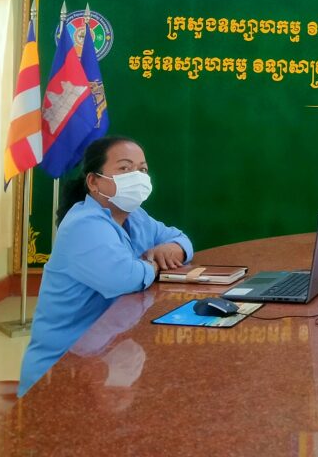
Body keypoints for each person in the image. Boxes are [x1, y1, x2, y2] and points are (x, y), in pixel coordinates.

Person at [19, 136, 193, 395]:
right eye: (125, 168)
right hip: (63, 369)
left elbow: (182, 240)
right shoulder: (84, 224)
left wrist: (171, 249)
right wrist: (153, 263)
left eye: (142, 170)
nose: (137, 177)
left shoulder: (137, 217)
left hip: (103, 352)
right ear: (93, 181)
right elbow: (124, 278)